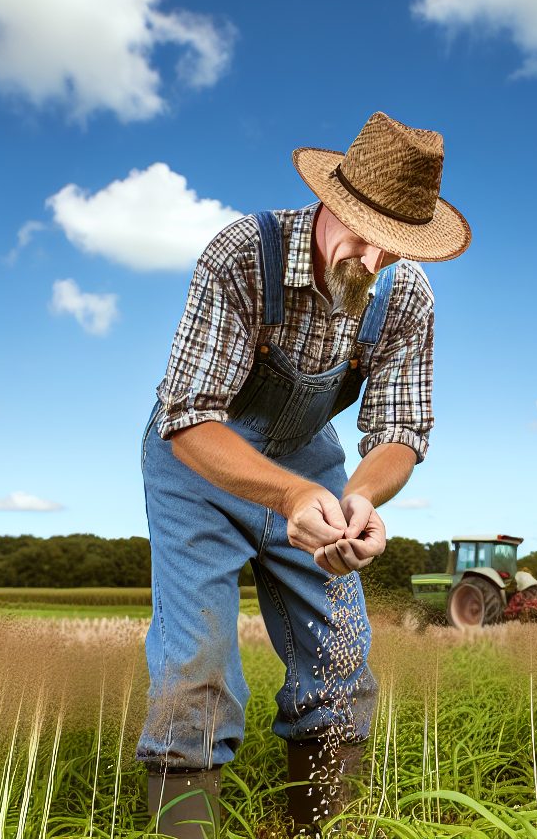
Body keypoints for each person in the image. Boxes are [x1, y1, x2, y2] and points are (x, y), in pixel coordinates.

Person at [136, 112, 471, 837]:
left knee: (342, 660)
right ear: (329, 198)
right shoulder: (242, 255)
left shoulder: (405, 299)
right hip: (200, 463)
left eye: (396, 244)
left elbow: (400, 432)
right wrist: (286, 492)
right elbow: (189, 413)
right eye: (358, 227)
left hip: (312, 466)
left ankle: (319, 827)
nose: (371, 257)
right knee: (196, 665)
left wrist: (358, 500)